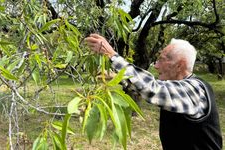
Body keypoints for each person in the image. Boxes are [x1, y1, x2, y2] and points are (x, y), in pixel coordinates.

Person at [85, 34, 223, 150]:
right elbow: (146, 89)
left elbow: (153, 89)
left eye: (161, 60)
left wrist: (112, 55)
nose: (156, 66)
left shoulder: (194, 89)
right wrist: (118, 77)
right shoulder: (176, 87)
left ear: (179, 65)